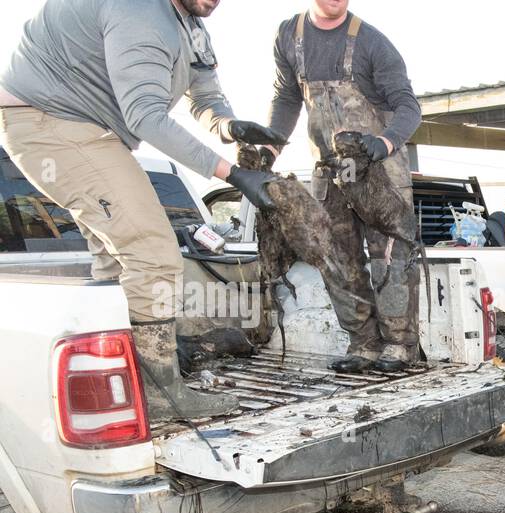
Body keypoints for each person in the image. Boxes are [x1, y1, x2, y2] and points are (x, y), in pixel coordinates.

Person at [0, 0, 282, 423]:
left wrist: (229, 126)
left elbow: (206, 95)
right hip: (52, 121)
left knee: (116, 259)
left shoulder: (190, 24)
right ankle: (161, 393)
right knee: (153, 251)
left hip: (92, 130)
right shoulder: (139, 11)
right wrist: (232, 173)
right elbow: (146, 115)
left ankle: (125, 380)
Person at [267, 0, 424, 372]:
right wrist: (268, 149)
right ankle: (364, 344)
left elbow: (408, 106)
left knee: (390, 258)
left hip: (379, 171)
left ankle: (399, 346)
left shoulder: (373, 43)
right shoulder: (290, 36)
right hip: (331, 171)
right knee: (337, 259)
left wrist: (383, 142)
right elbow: (287, 99)